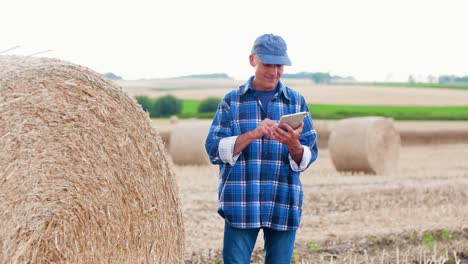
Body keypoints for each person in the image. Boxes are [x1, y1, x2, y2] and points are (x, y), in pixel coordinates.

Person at [205, 33, 318, 264]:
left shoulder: (297, 102)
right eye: (268, 64)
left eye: (280, 65)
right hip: (241, 202)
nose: (274, 71)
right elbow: (214, 150)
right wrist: (253, 134)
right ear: (252, 60)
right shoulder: (231, 101)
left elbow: (309, 154)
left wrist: (293, 144)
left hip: (283, 201)